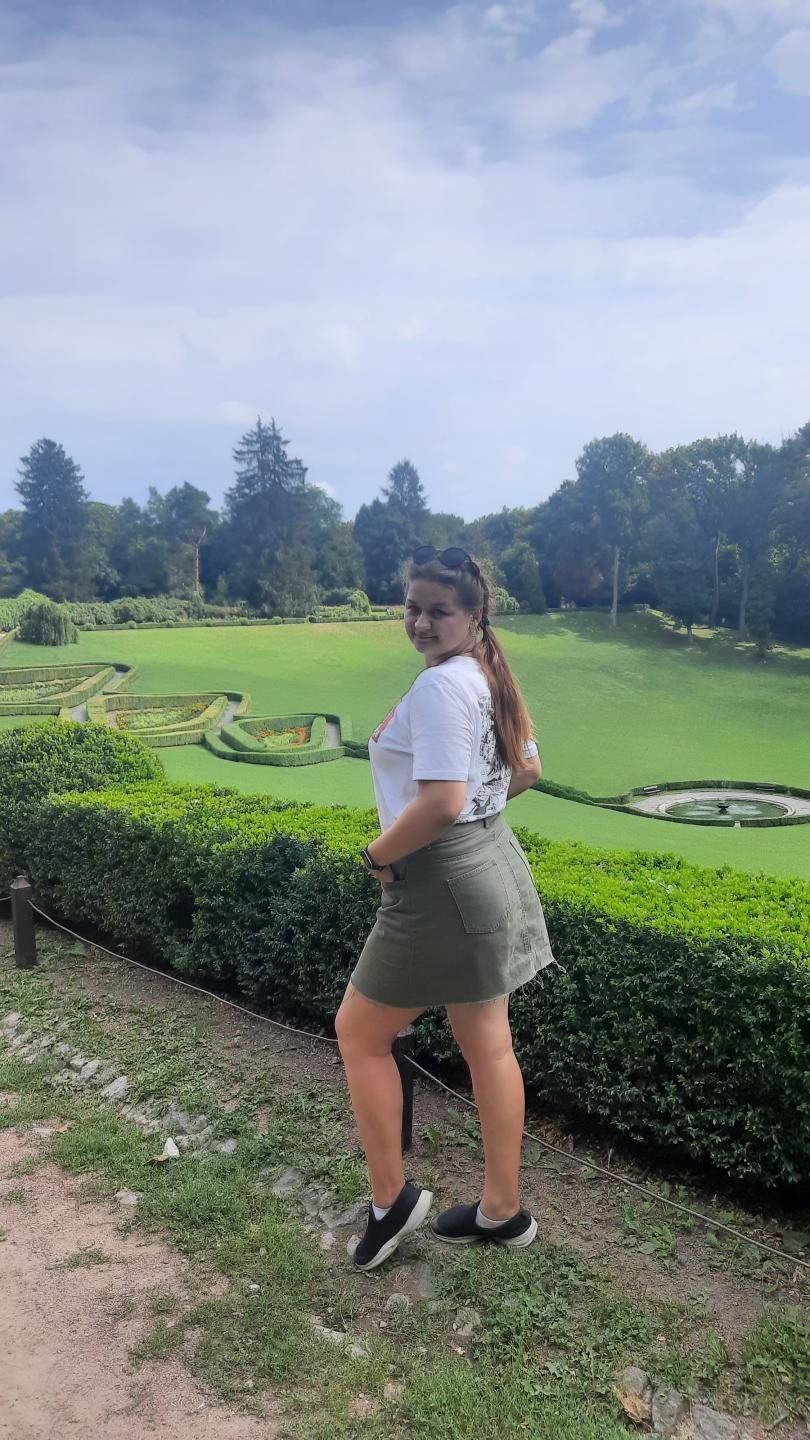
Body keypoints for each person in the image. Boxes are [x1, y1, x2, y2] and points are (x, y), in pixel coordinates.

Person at [334, 544, 558, 1272]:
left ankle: (391, 1201)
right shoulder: (487, 670)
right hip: (492, 860)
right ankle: (502, 1211)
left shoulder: (440, 688)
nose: (421, 623)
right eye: (412, 608)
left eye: (438, 611)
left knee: (359, 1034)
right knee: (487, 1040)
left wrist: (377, 855)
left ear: (473, 614)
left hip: (440, 878)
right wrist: (478, 813)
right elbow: (527, 769)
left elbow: (440, 803)